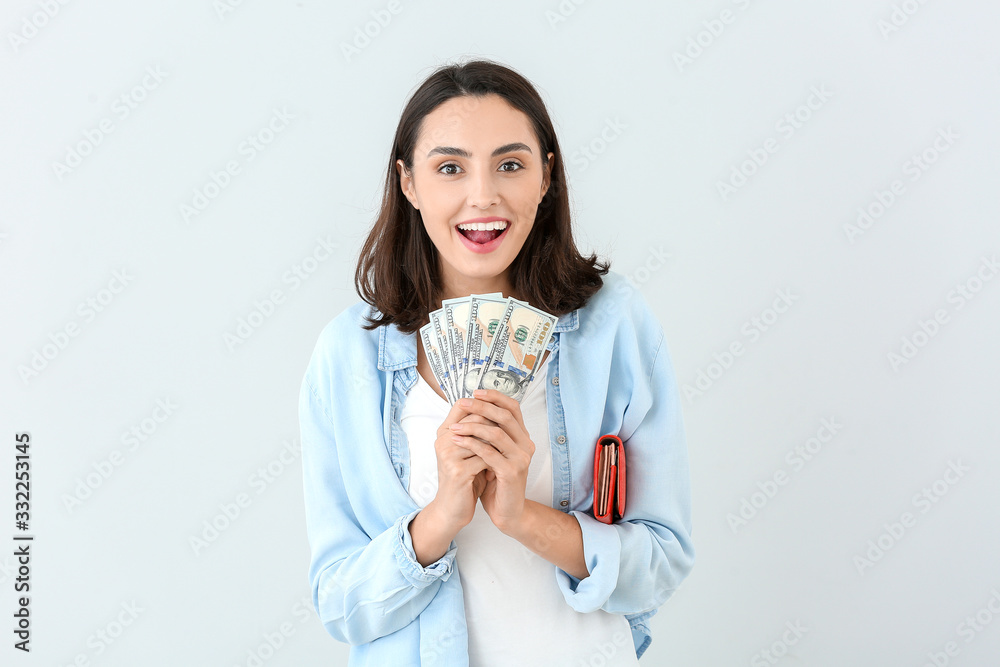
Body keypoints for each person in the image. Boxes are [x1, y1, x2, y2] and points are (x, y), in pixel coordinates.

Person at [298, 58, 695, 666]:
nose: (482, 196)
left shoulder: (615, 326)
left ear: (546, 177)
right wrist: (439, 519)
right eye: (450, 168)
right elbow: (340, 604)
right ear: (408, 183)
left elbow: (660, 566)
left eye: (510, 164)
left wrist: (520, 515)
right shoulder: (348, 356)